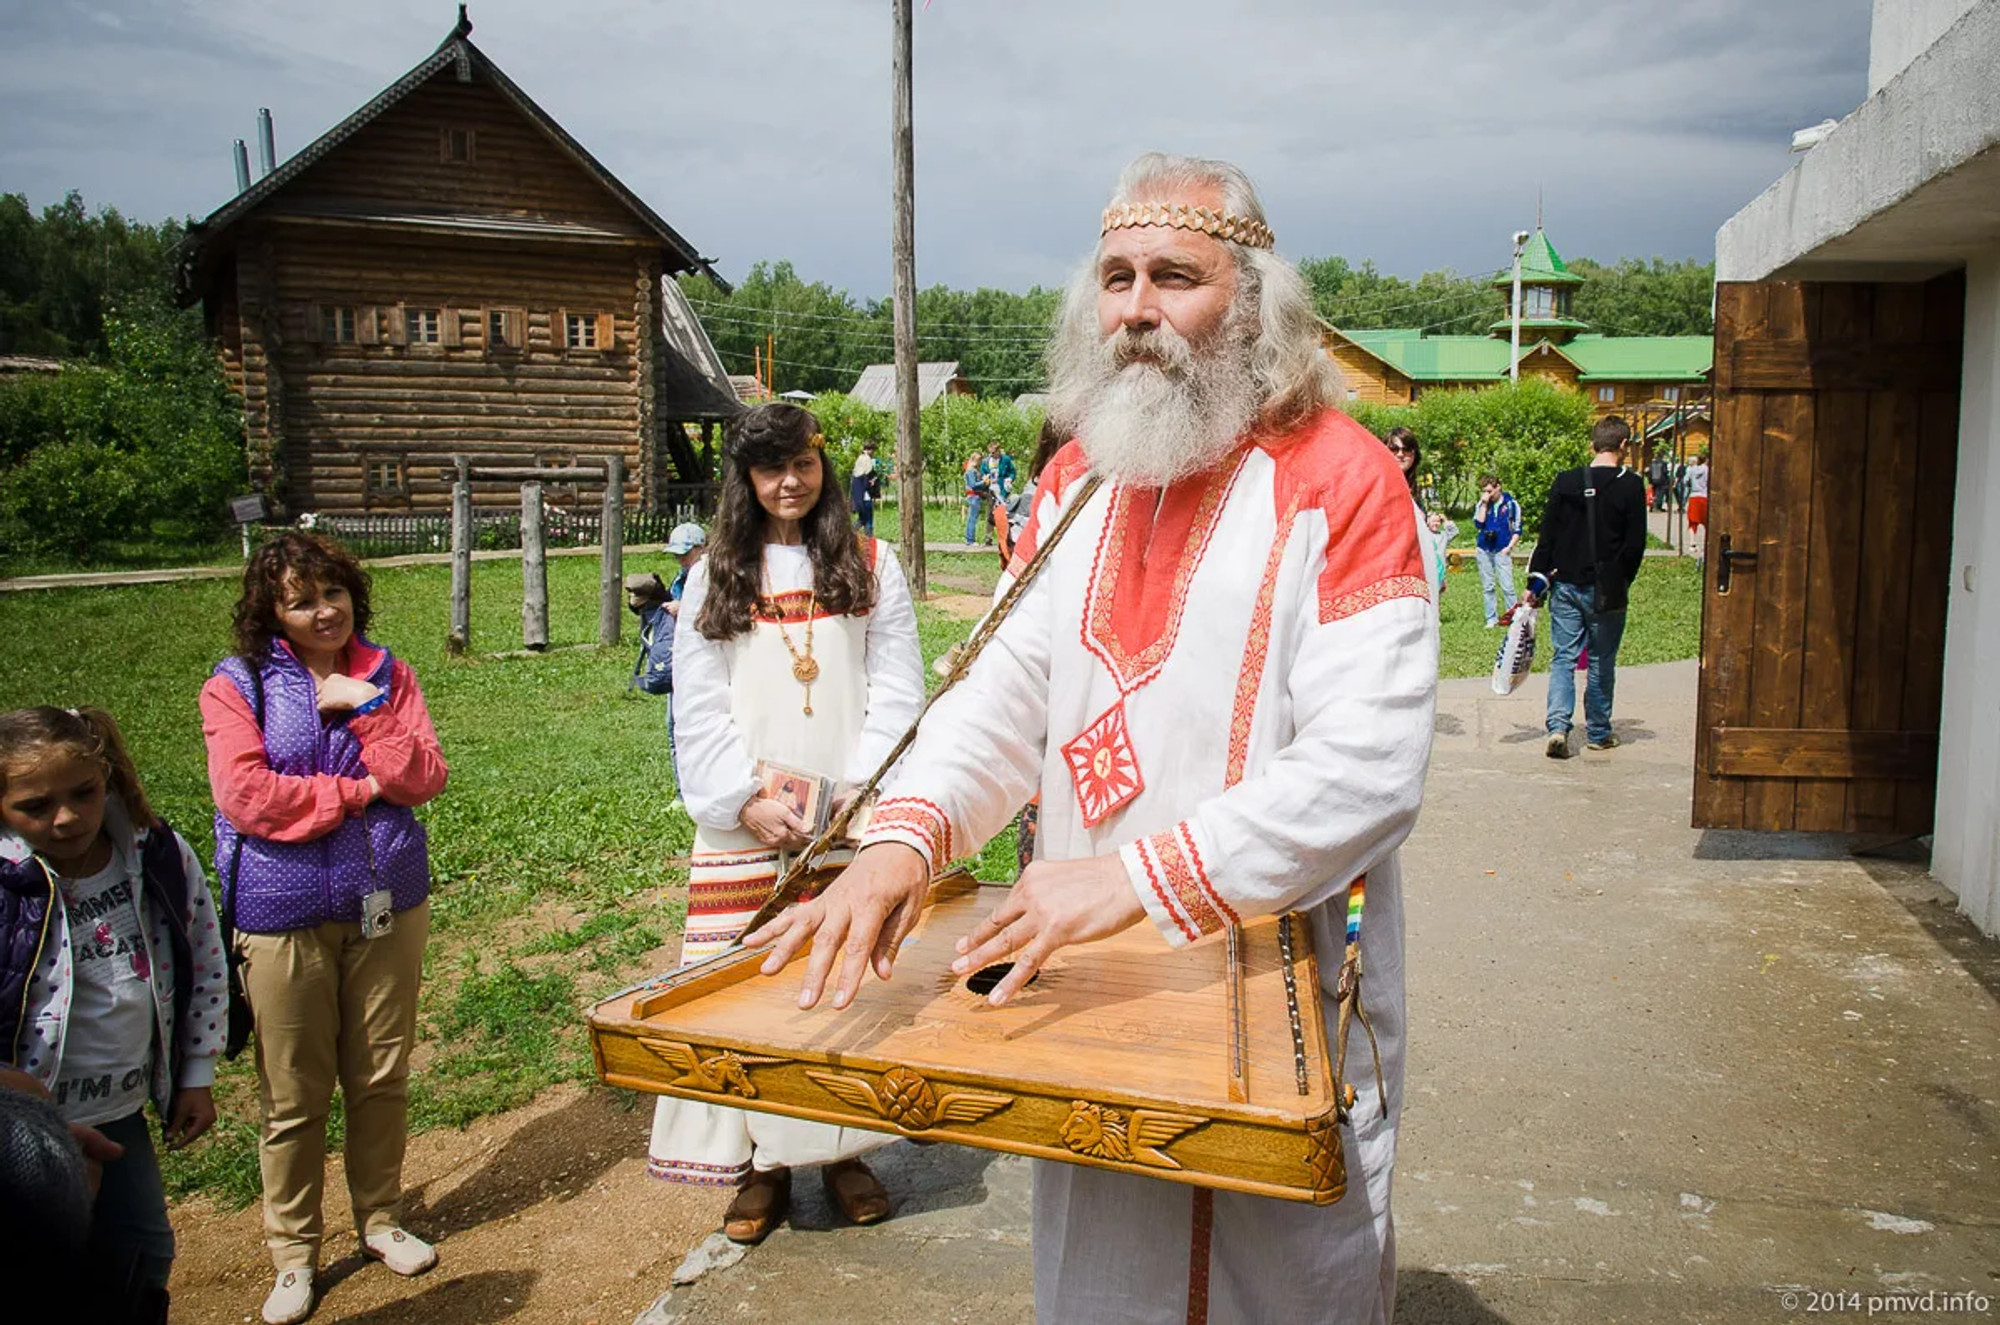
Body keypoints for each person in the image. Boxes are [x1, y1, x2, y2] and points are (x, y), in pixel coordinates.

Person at [746, 153, 1436, 1324]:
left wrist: (1128, 878)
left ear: (1254, 301)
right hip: (1092, 998)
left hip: (1278, 992)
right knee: (1106, 1280)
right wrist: (898, 845)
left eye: (1175, 275)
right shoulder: (1076, 481)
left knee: (1285, 1285)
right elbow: (997, 704)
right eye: (1115, 277)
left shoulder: (1343, 482)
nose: (1135, 308)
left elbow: (1366, 767)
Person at [655, 401, 924, 1244]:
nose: (787, 483)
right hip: (747, 823)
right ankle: (761, 1165)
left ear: (823, 468)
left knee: (841, 982)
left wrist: (857, 786)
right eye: (769, 469)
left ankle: (842, 1150)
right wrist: (741, 799)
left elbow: (899, 688)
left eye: (801, 466)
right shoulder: (711, 573)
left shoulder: (871, 564)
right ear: (744, 478)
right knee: (749, 992)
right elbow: (696, 706)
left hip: (844, 814)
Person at [200, 531, 449, 1325]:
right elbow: (248, 797)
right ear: (269, 611)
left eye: (333, 592)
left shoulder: (389, 674)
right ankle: (293, 1254)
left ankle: (379, 1219)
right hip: (283, 916)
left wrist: (363, 708)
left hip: (388, 902)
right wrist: (353, 794)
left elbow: (423, 776)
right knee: (294, 1093)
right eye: (301, 599)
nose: (323, 610)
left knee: (381, 1075)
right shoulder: (237, 685)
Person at [1, 706, 227, 1321]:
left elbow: (205, 960)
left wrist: (196, 1074)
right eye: (35, 805)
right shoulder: (7, 888)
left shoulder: (155, 856)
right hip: (26, 1130)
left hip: (120, 1114)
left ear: (107, 779)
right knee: (45, 1268)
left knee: (144, 1256)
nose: (67, 816)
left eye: (84, 793)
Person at [1522, 416, 1648, 759]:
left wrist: (1536, 580)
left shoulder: (1566, 481)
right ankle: (1598, 732)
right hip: (1607, 589)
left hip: (1565, 585)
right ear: (1623, 445)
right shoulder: (1631, 486)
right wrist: (1622, 580)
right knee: (1601, 660)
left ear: (1593, 444)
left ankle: (1558, 727)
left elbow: (1547, 537)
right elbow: (1635, 544)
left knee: (1563, 657)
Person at [1471, 472, 1523, 628]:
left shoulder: (1511, 504)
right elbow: (1479, 524)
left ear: (1498, 487)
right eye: (1485, 491)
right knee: (1488, 586)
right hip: (1484, 549)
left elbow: (1517, 529)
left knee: (1507, 586)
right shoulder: (1482, 504)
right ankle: (1491, 618)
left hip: (1502, 549)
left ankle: (1514, 616)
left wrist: (1509, 548)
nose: (1488, 494)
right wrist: (1484, 504)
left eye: (1490, 491)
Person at [849, 440, 880, 535]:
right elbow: (866, 480)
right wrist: (873, 481)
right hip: (865, 496)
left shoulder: (859, 459)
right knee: (868, 520)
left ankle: (848, 534)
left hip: (858, 496)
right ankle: (867, 539)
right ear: (870, 450)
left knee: (862, 519)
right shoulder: (867, 460)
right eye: (873, 451)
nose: (873, 453)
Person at [962, 452, 989, 545]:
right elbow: (973, 485)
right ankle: (970, 539)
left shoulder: (973, 470)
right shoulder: (971, 471)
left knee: (972, 517)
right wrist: (984, 482)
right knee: (972, 518)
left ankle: (969, 538)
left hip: (975, 496)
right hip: (973, 496)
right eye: (980, 460)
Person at [1685, 449, 1711, 539]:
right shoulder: (1707, 469)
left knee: (1693, 522)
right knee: (1707, 522)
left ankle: (1692, 543)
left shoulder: (1692, 469)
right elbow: (1709, 481)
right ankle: (1707, 541)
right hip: (1704, 496)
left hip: (1693, 496)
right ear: (1706, 460)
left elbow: (1686, 480)